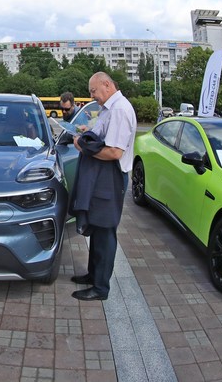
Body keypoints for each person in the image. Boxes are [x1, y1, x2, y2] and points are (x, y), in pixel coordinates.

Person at [71, 72, 137, 301]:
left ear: (107, 85)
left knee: (105, 231)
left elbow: (114, 152)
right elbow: (100, 134)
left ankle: (100, 288)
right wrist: (84, 135)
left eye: (93, 91)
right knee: (97, 229)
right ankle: (93, 275)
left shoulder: (119, 109)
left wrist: (83, 147)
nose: (92, 96)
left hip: (111, 176)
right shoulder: (110, 108)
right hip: (104, 175)